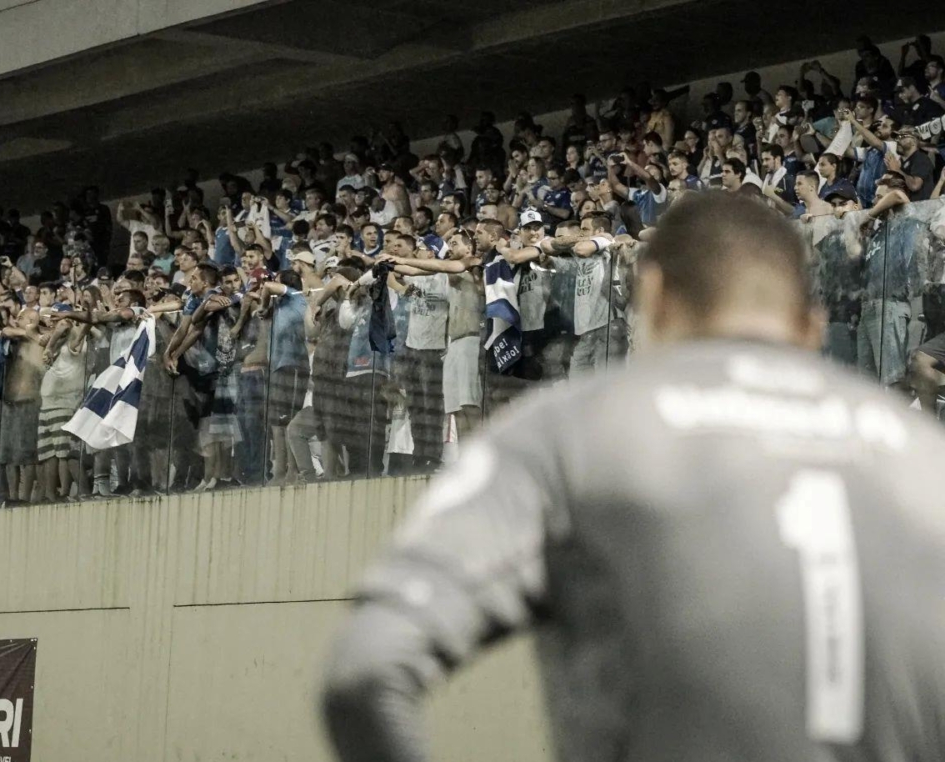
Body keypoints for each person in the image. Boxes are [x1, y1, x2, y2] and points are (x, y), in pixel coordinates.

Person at [321, 191, 945, 762]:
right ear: (810, 326)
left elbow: (364, 671)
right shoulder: (924, 455)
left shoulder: (569, 428)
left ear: (654, 300)